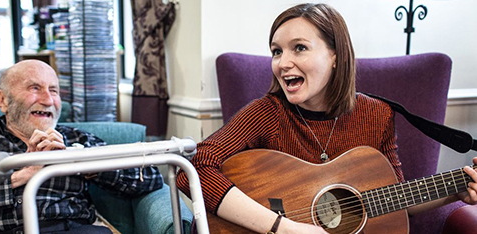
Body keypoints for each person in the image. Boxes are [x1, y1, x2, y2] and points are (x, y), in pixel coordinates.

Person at [176, 3, 477, 234]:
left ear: (335, 55)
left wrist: (456, 191)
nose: (283, 63)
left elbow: (394, 199)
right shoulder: (267, 112)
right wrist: (284, 228)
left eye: (300, 48)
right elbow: (192, 170)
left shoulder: (376, 115)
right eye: (276, 51)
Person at [0, 60, 164, 234]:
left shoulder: (74, 138)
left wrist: (88, 165)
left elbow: (150, 178)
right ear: (3, 100)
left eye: (54, 90)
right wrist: (23, 173)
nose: (48, 100)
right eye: (34, 88)